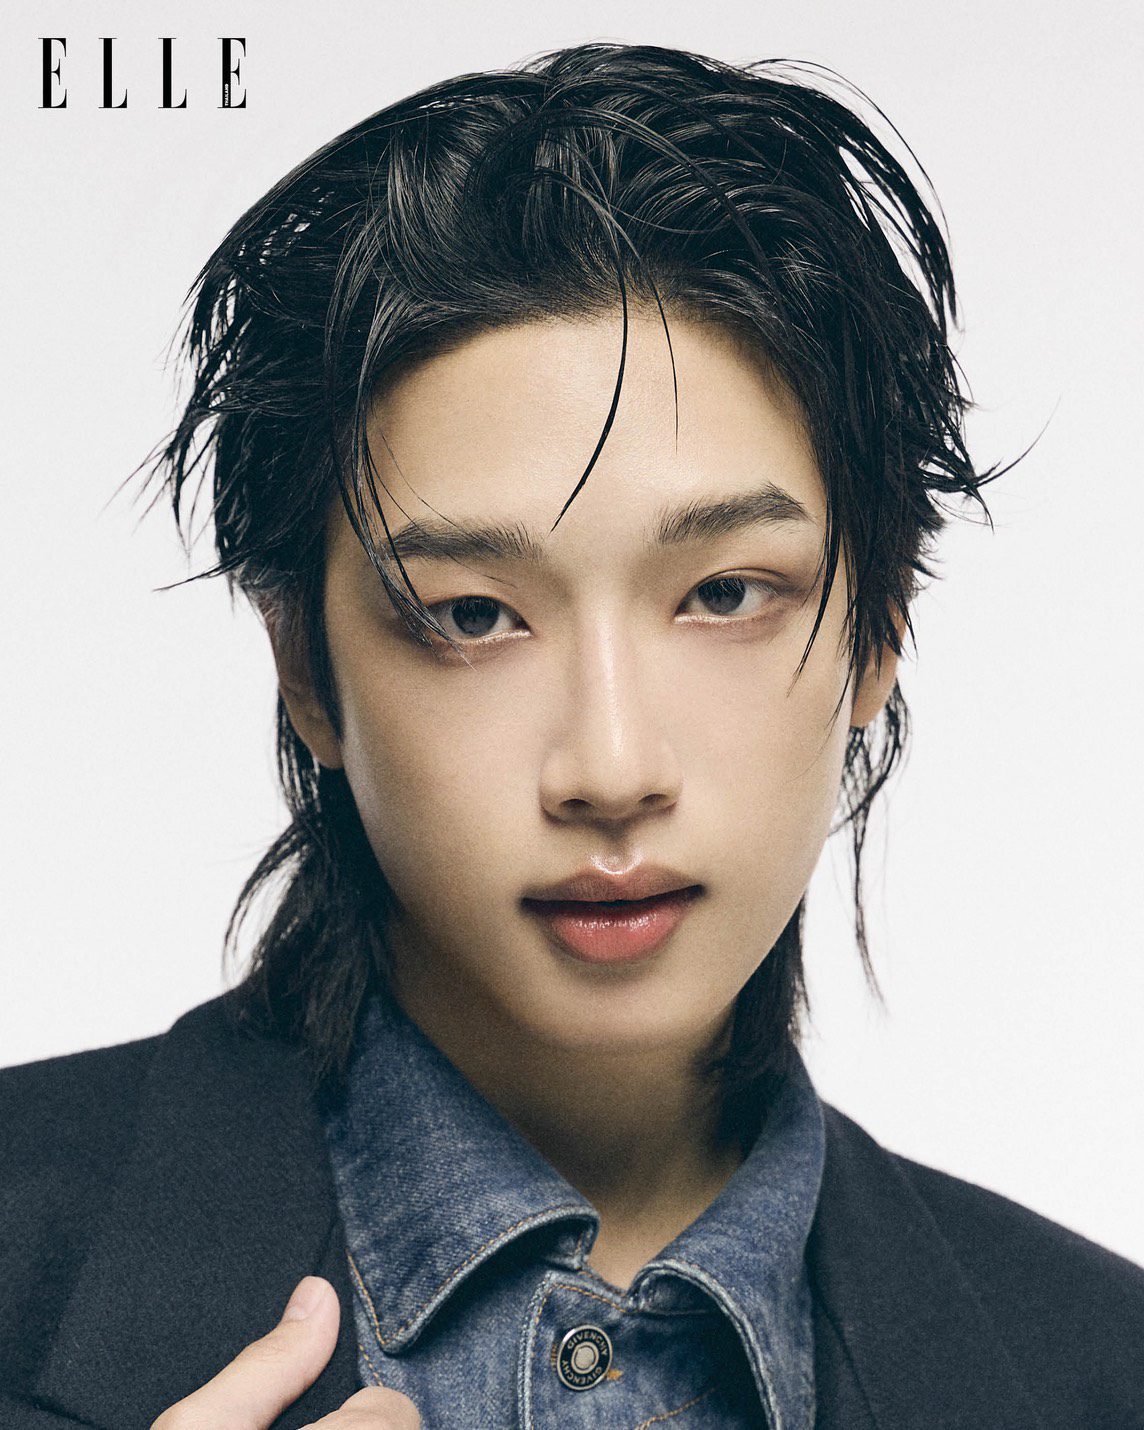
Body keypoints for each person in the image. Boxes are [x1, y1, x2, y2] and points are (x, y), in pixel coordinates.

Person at [2, 41, 1140, 1430]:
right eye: (474, 615)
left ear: (879, 628)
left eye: (726, 593)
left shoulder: (1102, 1368)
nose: (610, 769)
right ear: (304, 663)